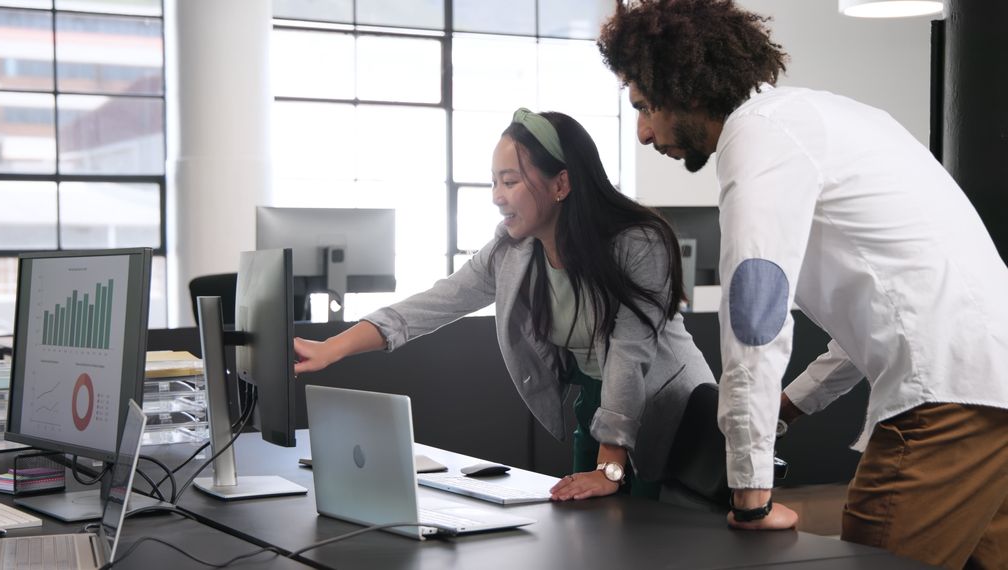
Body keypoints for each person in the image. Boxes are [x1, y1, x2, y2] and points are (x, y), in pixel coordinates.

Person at [597, 0, 1008, 567]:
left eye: (644, 107)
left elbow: (755, 313)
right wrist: (791, 404)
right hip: (990, 394)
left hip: (948, 401)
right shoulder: (830, 118)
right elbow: (896, 308)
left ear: (683, 88)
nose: (642, 133)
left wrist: (750, 491)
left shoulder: (756, 135)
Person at [294, 108, 716, 500]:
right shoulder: (512, 251)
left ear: (561, 184)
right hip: (598, 404)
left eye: (510, 181)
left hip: (669, 410)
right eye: (494, 181)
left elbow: (629, 357)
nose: (497, 196)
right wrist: (332, 348)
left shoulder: (639, 243)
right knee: (592, 539)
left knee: (654, 541)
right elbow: (435, 302)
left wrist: (608, 470)